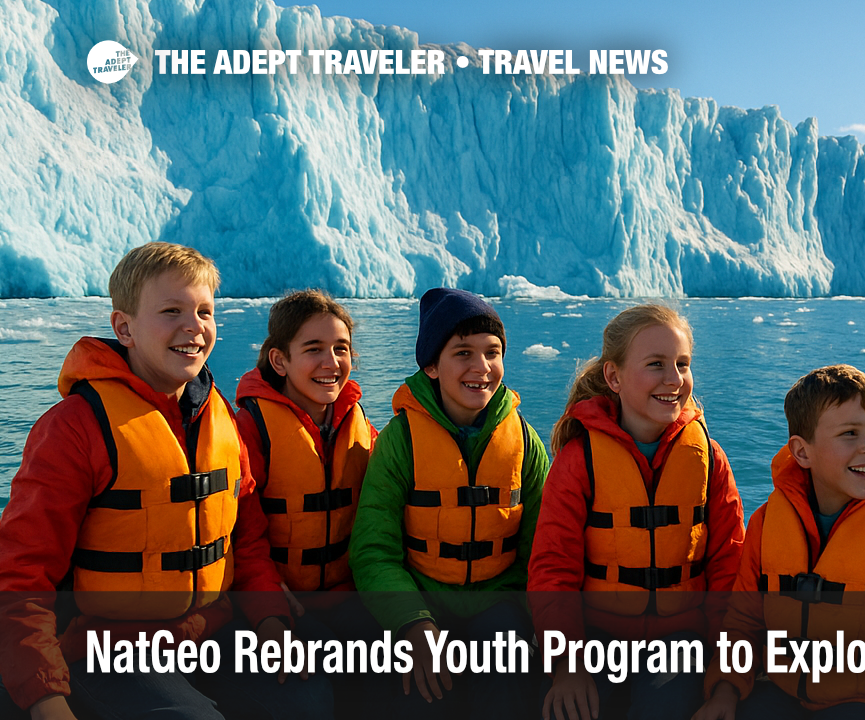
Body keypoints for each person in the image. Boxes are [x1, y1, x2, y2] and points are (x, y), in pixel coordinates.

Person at [0, 242, 330, 720]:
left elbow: (246, 536)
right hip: (108, 648)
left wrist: (270, 618)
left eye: (203, 311)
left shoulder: (220, 416)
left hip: (208, 633)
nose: (193, 327)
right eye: (171, 311)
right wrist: (45, 696)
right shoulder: (76, 427)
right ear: (124, 328)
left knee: (306, 694)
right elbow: (21, 572)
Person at [695, 364, 865, 720]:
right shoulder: (767, 523)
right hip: (782, 695)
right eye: (849, 434)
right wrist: (726, 691)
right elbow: (743, 623)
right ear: (802, 453)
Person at [529, 303, 745, 720]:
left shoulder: (708, 460)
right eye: (656, 364)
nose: (674, 379)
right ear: (614, 376)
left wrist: (726, 683)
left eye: (682, 364)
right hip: (595, 641)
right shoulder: (579, 461)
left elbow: (729, 572)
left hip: (680, 644)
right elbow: (553, 570)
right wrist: (567, 666)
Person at [348, 288, 548, 719]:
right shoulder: (401, 442)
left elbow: (544, 548)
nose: (482, 368)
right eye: (463, 353)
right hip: (423, 601)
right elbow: (373, 550)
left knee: (508, 672)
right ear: (432, 366)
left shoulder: (524, 442)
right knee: (417, 688)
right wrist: (412, 622)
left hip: (499, 604)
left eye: (492, 353)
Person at [235, 290, 383, 715]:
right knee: (310, 689)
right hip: (279, 604)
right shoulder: (250, 429)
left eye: (340, 349)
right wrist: (268, 614)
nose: (330, 362)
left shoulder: (356, 422)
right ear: (280, 361)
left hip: (347, 595)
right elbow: (242, 535)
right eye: (313, 349)